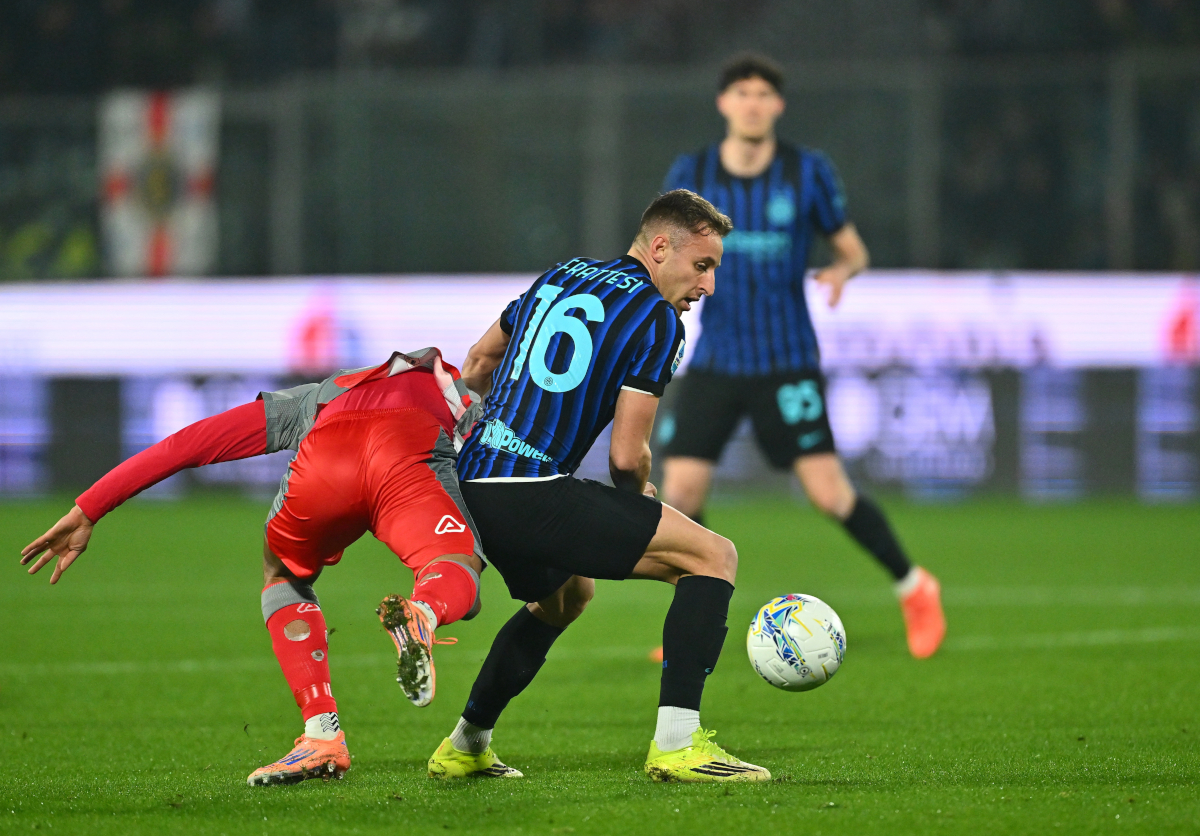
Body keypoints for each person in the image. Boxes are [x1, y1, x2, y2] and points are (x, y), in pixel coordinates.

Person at [422, 189, 770, 784]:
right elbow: (625, 455)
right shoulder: (656, 320)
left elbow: (479, 360)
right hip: (531, 490)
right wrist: (641, 498)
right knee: (713, 557)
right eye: (702, 266)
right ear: (660, 247)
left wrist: (460, 447)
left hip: (473, 481)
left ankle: (465, 745)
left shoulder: (559, 276)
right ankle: (679, 746)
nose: (707, 286)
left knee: (566, 598)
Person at [20, 349, 486, 786]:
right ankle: (425, 610)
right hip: (406, 455)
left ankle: (322, 733)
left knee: (283, 575)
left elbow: (190, 443)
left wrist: (89, 508)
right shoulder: (464, 397)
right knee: (451, 564)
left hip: (326, 460)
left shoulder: (317, 395)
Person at [656, 53, 945, 659]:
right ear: (724, 103)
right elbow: (667, 254)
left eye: (764, 94)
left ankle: (915, 586)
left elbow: (854, 249)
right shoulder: (694, 171)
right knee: (679, 492)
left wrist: (843, 270)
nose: (753, 103)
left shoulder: (806, 172)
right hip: (717, 360)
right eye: (742, 93)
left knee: (829, 494)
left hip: (786, 359)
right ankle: (695, 616)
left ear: (777, 106)